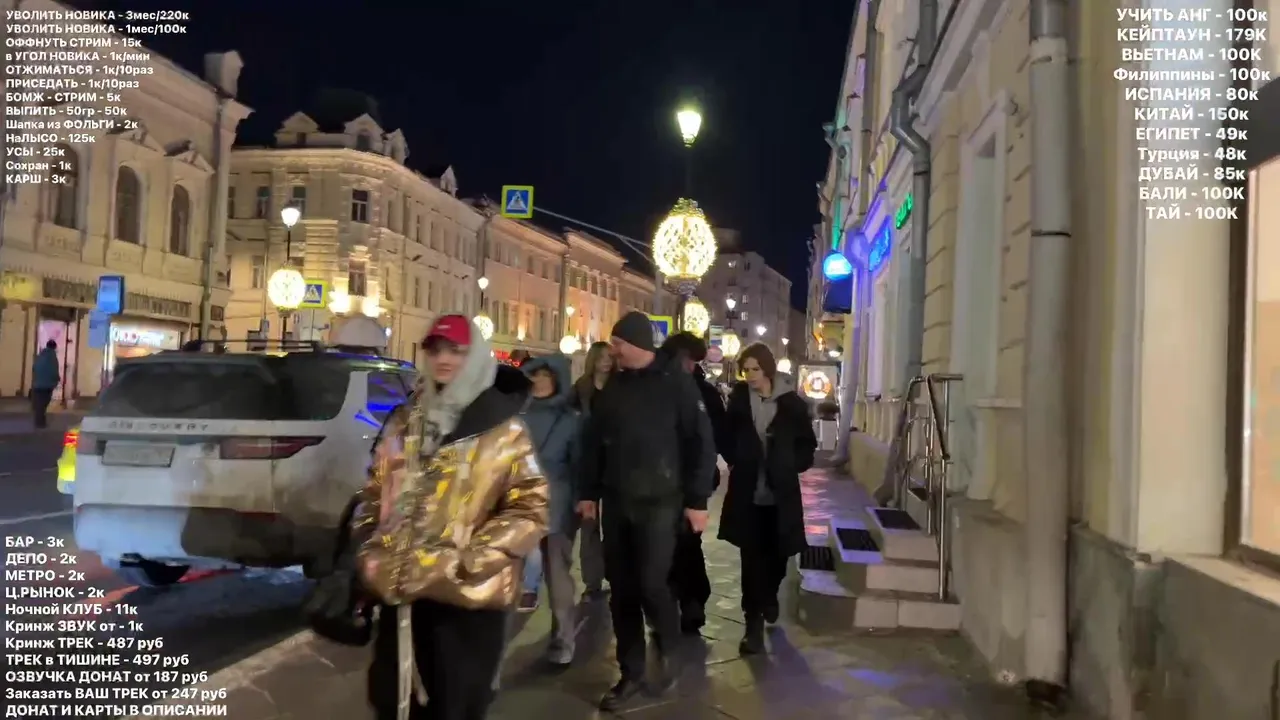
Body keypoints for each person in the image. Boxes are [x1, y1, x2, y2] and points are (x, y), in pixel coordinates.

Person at [356, 314, 549, 720]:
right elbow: (375, 491)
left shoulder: (504, 430)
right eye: (435, 349)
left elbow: (530, 508)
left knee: (455, 707)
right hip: (403, 596)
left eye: (456, 351)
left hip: (466, 601)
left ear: (474, 356)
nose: (443, 359)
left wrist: (466, 561)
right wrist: (370, 547)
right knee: (394, 703)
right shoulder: (406, 419)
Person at [577, 311, 716, 710]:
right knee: (621, 588)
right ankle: (631, 672)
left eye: (618, 344)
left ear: (636, 343)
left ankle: (669, 647)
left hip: (660, 501)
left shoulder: (676, 384)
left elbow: (701, 443)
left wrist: (697, 501)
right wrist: (588, 492)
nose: (613, 351)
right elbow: (593, 442)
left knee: (652, 583)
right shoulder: (615, 386)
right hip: (617, 501)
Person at [718, 343, 817, 656]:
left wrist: (791, 464)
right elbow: (725, 436)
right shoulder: (738, 402)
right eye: (746, 370)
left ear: (768, 369)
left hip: (780, 493)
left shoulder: (791, 404)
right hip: (748, 492)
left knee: (778, 555)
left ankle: (770, 595)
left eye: (755, 369)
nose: (750, 375)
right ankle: (753, 624)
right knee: (751, 559)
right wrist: (736, 458)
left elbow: (807, 444)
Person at [657, 332, 730, 634]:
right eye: (687, 359)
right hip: (662, 480)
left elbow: (718, 435)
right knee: (672, 544)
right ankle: (681, 600)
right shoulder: (657, 386)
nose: (690, 366)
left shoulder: (703, 392)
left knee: (685, 542)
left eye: (695, 361)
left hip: (690, 481)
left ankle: (690, 601)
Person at [516, 353, 582, 665]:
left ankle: (563, 639)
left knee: (557, 577)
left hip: (557, 503)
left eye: (546, 376)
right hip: (519, 504)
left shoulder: (571, 420)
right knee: (512, 578)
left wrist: (580, 500)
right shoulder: (517, 415)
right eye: (535, 375)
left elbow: (579, 464)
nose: (540, 381)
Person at [569, 341, 613, 601]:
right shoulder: (581, 389)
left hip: (614, 463)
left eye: (609, 357)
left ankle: (614, 574)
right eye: (601, 357)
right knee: (589, 525)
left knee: (614, 526)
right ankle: (592, 580)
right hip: (587, 462)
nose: (606, 361)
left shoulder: (619, 387)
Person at [31, 340, 60, 429]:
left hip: (37, 384)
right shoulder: (53, 357)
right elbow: (54, 371)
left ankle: (39, 421)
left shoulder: (40, 356)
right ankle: (40, 422)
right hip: (47, 386)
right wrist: (56, 380)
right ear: (54, 347)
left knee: (39, 404)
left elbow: (34, 368)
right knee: (43, 404)